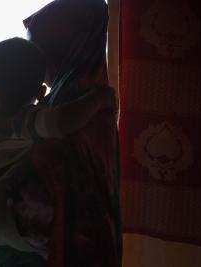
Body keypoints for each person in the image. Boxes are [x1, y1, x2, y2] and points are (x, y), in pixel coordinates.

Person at [0, 37, 116, 266]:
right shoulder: (22, 122)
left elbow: (63, 121)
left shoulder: (13, 123)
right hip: (14, 219)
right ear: (40, 92)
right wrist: (98, 99)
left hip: (11, 208)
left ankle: (9, 230)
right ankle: (10, 232)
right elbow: (65, 121)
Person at [6, 0, 122, 266]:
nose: (33, 65)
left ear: (62, 47)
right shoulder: (86, 94)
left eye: (38, 51)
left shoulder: (81, 106)